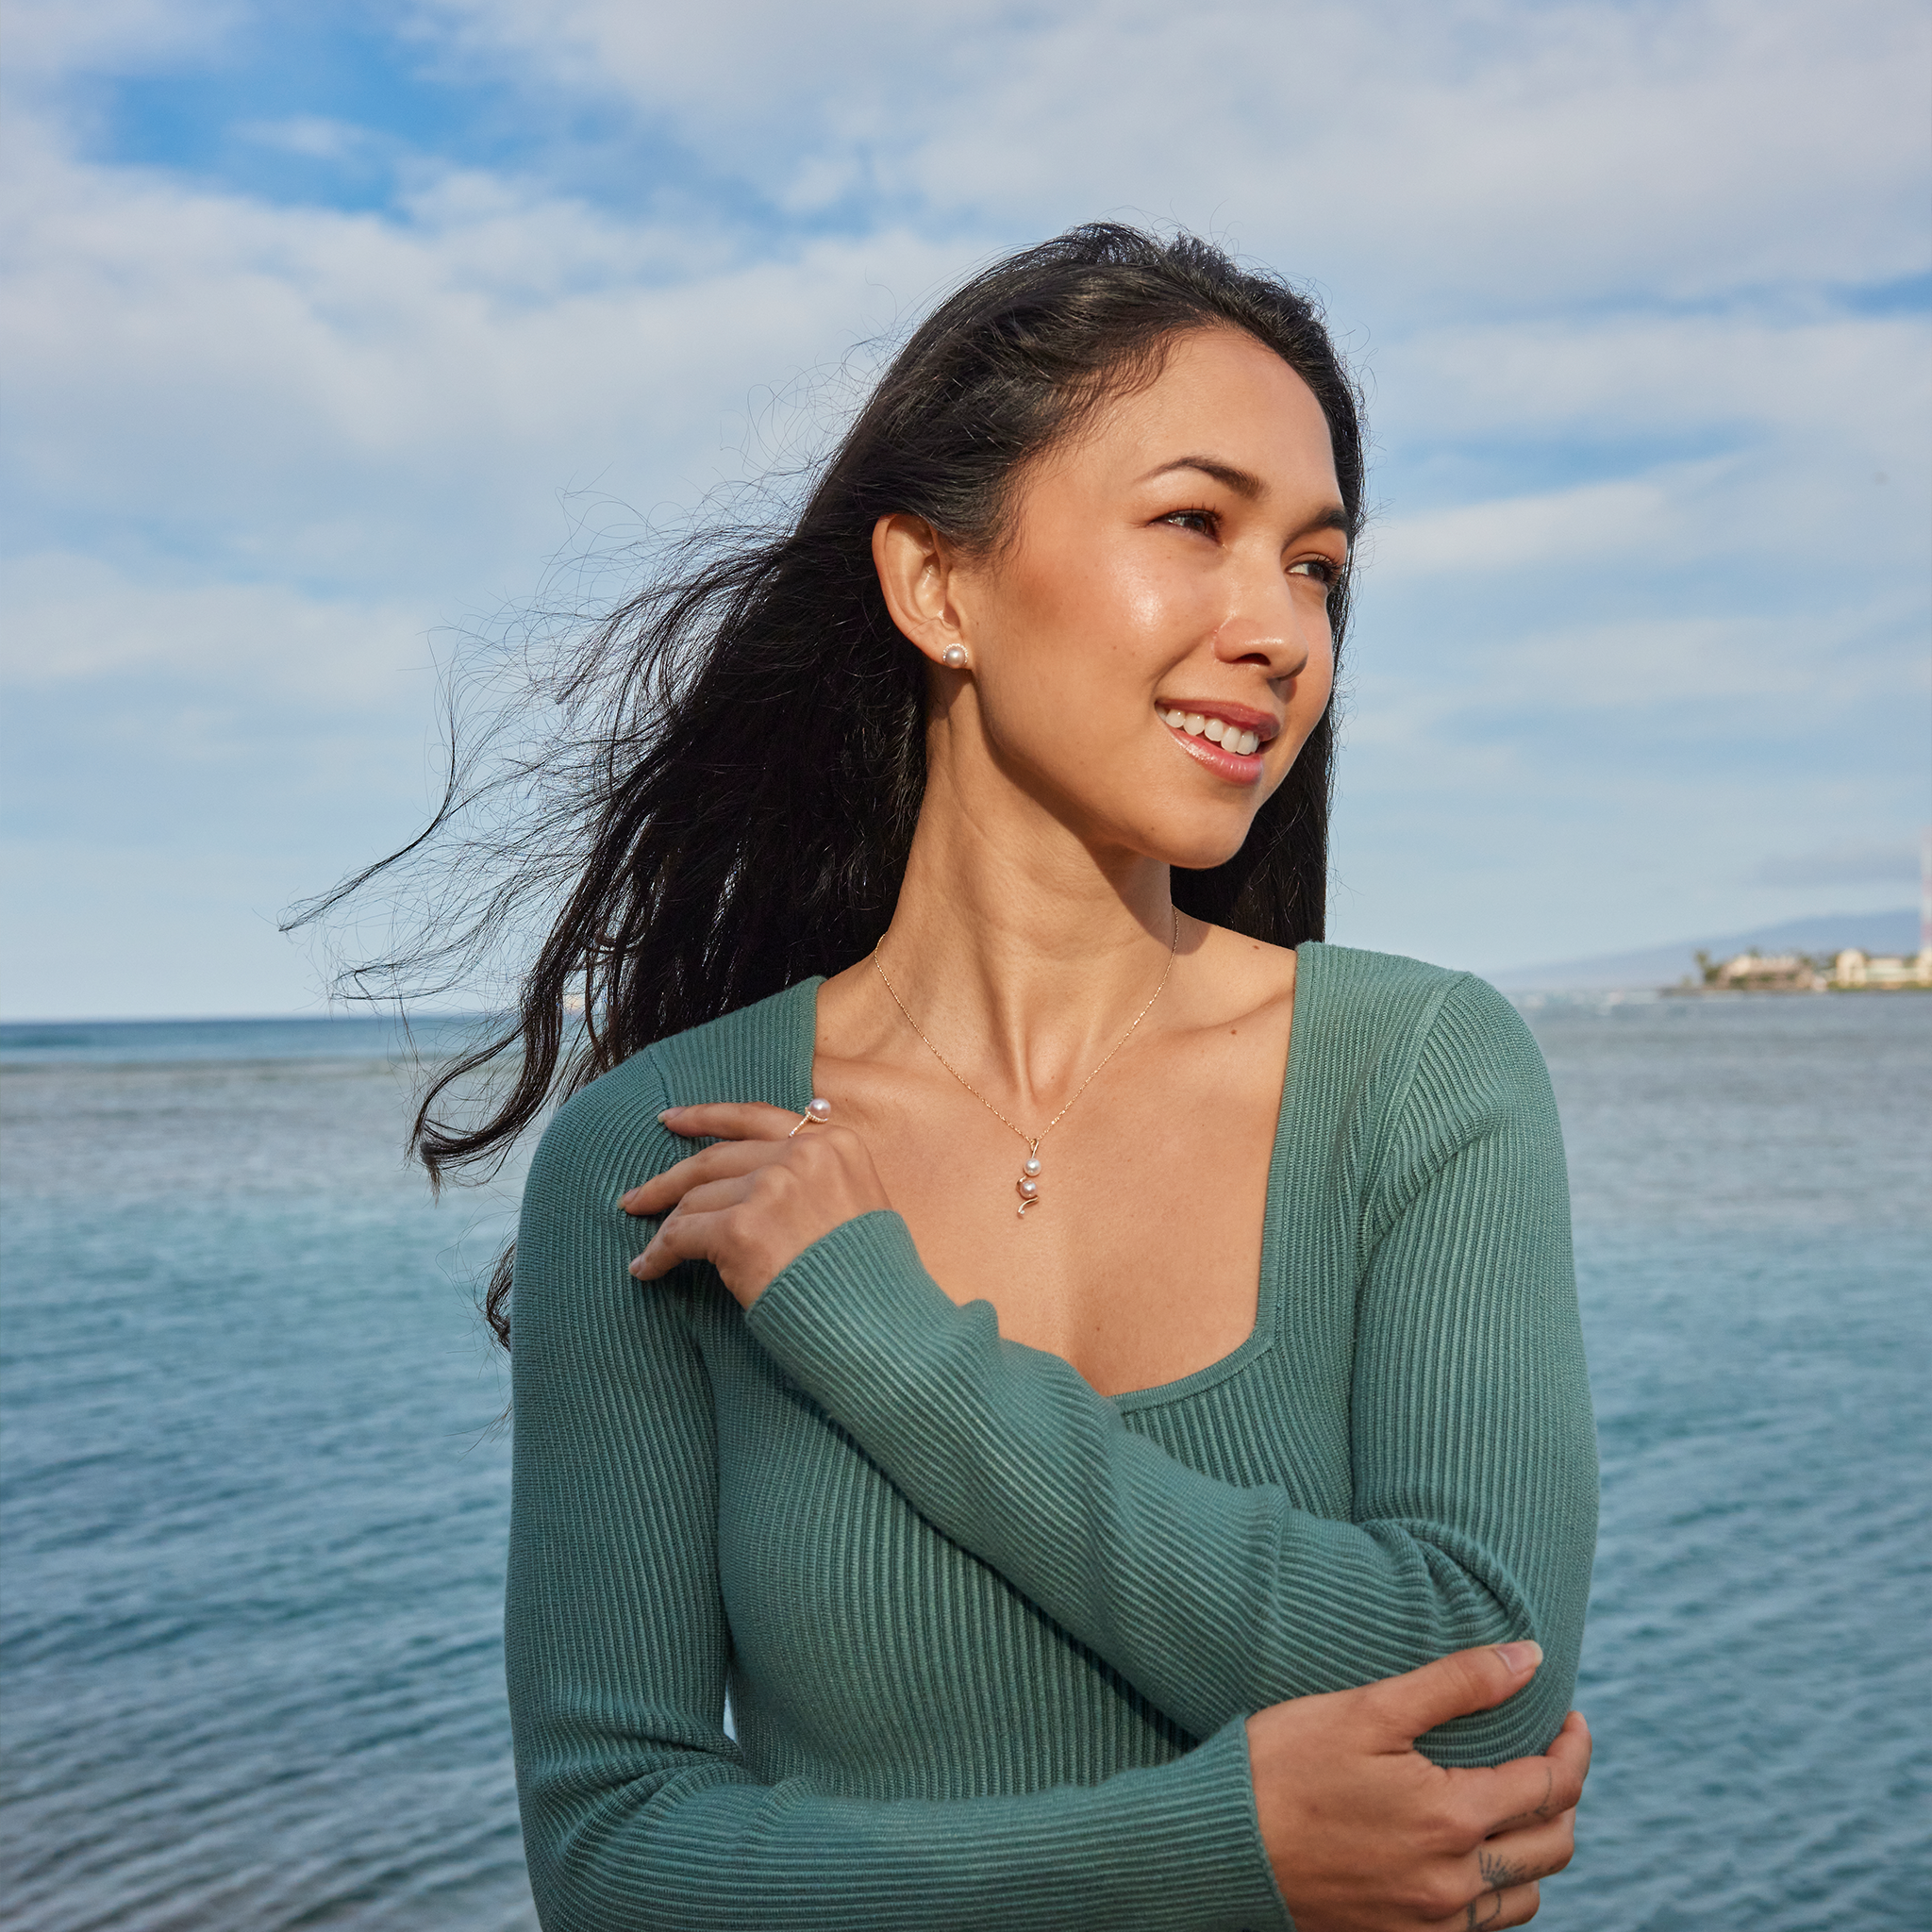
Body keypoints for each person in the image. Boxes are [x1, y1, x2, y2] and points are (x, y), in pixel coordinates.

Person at [401, 225, 1598, 1930]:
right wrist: (1205, 1857)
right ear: (936, 584)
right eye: (1197, 523)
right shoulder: (656, 1157)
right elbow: (614, 1859)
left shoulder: (1418, 1080)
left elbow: (1483, 1700)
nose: (1282, 632)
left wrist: (885, 1339)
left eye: (1320, 566)